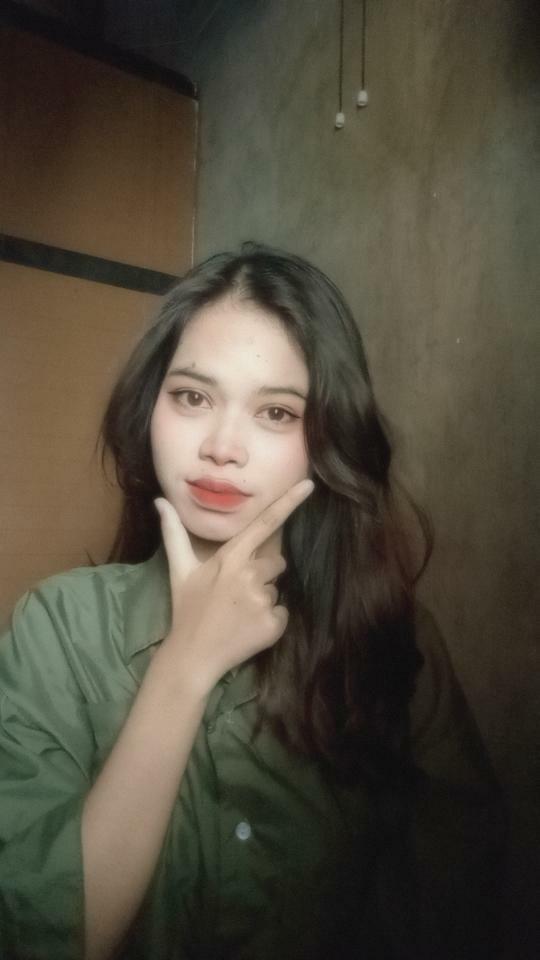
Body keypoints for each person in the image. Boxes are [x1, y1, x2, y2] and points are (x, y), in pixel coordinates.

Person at [0, 244, 505, 960]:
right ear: (150, 408)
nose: (223, 446)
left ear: (326, 438)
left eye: (275, 412)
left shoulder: (392, 636)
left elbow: (462, 898)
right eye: (193, 397)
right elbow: (45, 937)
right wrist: (185, 666)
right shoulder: (57, 628)